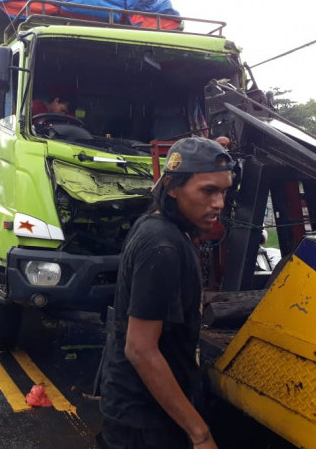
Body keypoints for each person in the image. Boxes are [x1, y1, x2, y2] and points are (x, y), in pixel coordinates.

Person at [97, 137, 235, 449]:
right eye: (208, 191)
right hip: (143, 424)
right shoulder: (163, 246)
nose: (219, 203)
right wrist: (200, 434)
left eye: (223, 191)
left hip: (148, 412)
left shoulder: (157, 225)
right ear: (172, 187)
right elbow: (140, 350)